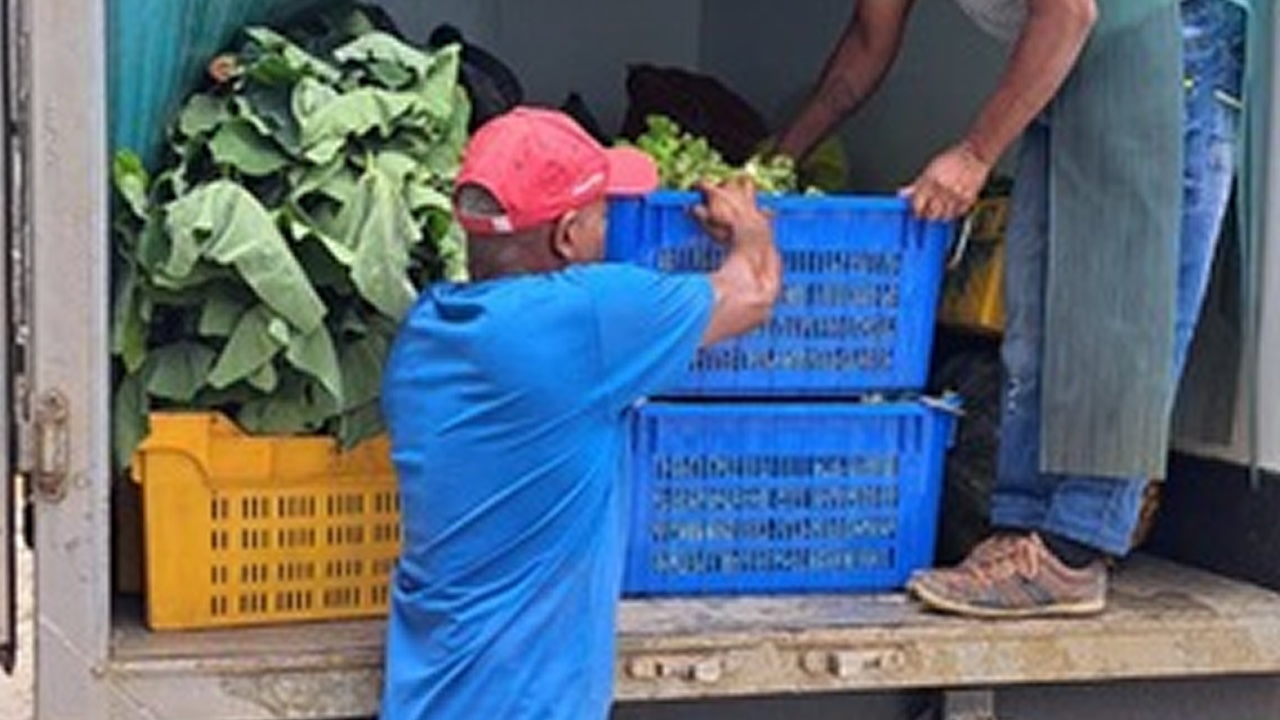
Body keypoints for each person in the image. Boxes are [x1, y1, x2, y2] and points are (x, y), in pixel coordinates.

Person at [781, 0, 1194, 618]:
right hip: (1072, 61)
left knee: (1121, 296)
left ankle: (1074, 551)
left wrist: (974, 155)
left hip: (1167, 54)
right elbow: (868, 44)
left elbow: (1070, 11)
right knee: (1032, 309)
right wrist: (776, 161)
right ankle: (1021, 527)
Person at [377, 107, 781, 719]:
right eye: (603, 215)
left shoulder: (427, 330)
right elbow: (752, 292)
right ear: (567, 235)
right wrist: (750, 228)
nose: (610, 231)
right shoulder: (585, 318)